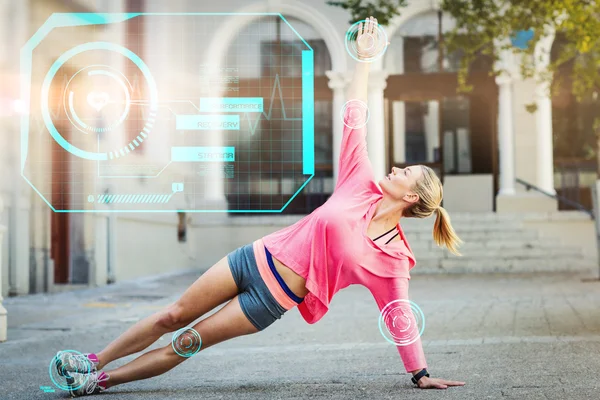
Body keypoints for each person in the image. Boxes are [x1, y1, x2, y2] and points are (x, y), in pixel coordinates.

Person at [54, 16, 465, 396]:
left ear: (411, 197)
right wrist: (364, 58)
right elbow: (355, 116)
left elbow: (399, 316)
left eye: (405, 171)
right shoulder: (360, 182)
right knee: (173, 315)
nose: (395, 167)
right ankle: (93, 360)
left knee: (185, 343)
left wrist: (420, 372)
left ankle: (99, 383)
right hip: (252, 258)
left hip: (269, 301)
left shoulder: (392, 258)